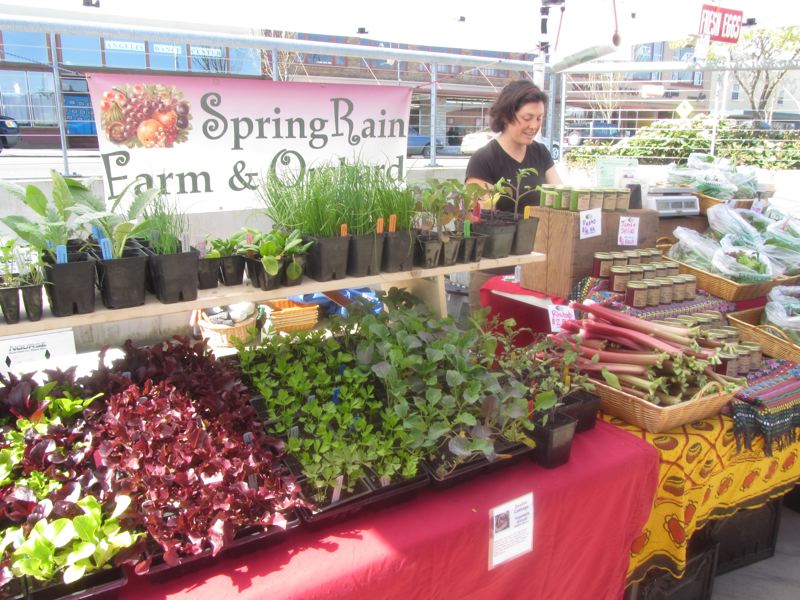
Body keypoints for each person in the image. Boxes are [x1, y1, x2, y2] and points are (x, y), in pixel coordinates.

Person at [465, 80, 562, 310]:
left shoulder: (540, 153)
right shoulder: (484, 159)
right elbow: (478, 218)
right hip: (493, 271)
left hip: (533, 268)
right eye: (527, 118)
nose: (534, 125)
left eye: (539, 118)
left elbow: (559, 196)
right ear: (507, 115)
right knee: (489, 332)